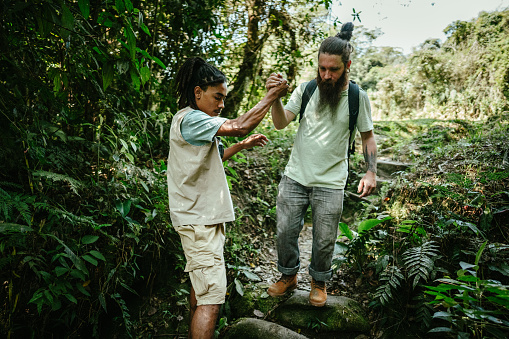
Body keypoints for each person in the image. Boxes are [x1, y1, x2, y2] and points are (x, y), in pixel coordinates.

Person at [167, 57, 288, 339]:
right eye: (217, 97)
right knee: (211, 301)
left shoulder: (194, 121)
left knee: (201, 291)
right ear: (198, 93)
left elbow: (215, 156)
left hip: (200, 219)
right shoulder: (192, 118)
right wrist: (272, 95)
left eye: (224, 98)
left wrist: (241, 145)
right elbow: (239, 124)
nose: (221, 104)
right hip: (199, 222)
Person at [266, 22, 377, 307]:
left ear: (347, 65)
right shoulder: (305, 90)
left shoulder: (357, 97)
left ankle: (318, 281)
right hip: (295, 176)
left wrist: (371, 170)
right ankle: (288, 276)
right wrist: (274, 99)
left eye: (334, 70)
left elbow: (368, 137)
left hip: (331, 181)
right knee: (286, 231)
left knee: (325, 239)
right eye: (322, 68)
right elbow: (280, 123)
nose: (326, 75)